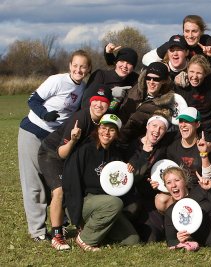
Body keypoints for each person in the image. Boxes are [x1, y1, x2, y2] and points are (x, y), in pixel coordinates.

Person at [18, 50, 92, 242]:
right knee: (34, 183)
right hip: (33, 131)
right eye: (75, 65)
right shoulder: (57, 81)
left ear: (88, 69)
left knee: (56, 182)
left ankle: (62, 224)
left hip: (54, 139)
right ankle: (38, 231)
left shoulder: (82, 89)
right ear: (69, 66)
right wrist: (45, 114)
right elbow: (32, 99)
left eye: (83, 66)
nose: (78, 69)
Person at [37, 85, 112, 250]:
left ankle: (80, 226)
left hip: (72, 157)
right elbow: (61, 153)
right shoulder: (81, 118)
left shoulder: (103, 121)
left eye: (104, 102)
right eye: (96, 101)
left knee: (81, 186)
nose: (99, 105)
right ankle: (57, 235)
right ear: (90, 102)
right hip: (52, 154)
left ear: (109, 105)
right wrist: (72, 140)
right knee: (59, 191)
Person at [62, 114, 140, 251]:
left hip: (105, 205)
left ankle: (95, 230)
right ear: (98, 129)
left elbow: (119, 184)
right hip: (82, 201)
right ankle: (85, 238)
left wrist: (128, 169)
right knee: (115, 203)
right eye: (103, 128)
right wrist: (75, 216)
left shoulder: (116, 155)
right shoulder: (85, 149)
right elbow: (71, 182)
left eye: (112, 130)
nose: (106, 133)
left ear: (116, 134)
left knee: (132, 239)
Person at [123, 112, 172, 242]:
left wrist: (160, 183)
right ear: (147, 126)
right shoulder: (133, 146)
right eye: (154, 126)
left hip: (150, 197)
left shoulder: (164, 147)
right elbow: (133, 176)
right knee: (132, 210)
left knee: (153, 237)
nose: (157, 130)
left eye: (162, 128)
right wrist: (145, 152)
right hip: (132, 195)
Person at [142, 15, 211, 71]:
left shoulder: (207, 41)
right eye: (187, 31)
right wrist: (161, 66)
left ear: (201, 32)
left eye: (194, 31)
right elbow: (146, 58)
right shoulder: (177, 42)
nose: (190, 35)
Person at [118, 62, 175, 143]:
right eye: (148, 78)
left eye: (156, 79)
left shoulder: (164, 105)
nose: (151, 82)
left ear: (163, 81)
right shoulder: (135, 89)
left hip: (133, 145)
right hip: (115, 135)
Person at [174, 55, 211, 142]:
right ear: (187, 71)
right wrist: (175, 79)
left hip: (210, 128)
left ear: (205, 73)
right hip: (189, 127)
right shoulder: (182, 85)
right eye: (191, 72)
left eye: (199, 73)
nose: (194, 76)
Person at [81, 47, 139, 111]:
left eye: (129, 63)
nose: (125, 65)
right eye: (122, 61)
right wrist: (111, 95)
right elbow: (86, 103)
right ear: (116, 62)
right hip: (96, 117)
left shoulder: (135, 80)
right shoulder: (100, 75)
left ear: (133, 67)